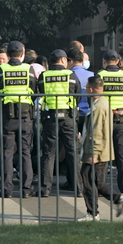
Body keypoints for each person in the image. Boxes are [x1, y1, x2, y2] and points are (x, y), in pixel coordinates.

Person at [78, 76, 123, 221]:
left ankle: (94, 212)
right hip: (101, 150)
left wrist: (94, 152)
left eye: (86, 88)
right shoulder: (103, 102)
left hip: (97, 151)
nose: (85, 90)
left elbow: (97, 131)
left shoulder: (98, 106)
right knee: (94, 181)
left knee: (89, 180)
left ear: (91, 90)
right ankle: (116, 200)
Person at [0, 41, 37, 198]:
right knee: (25, 152)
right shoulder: (28, 69)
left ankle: (7, 190)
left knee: (7, 153)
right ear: (22, 53)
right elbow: (33, 90)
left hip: (7, 116)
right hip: (25, 116)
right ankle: (26, 189)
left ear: (8, 54)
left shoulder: (1, 69)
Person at [37, 49, 82, 198]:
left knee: (48, 154)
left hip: (50, 118)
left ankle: (45, 189)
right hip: (68, 118)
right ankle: (79, 189)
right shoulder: (71, 75)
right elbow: (78, 95)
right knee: (72, 152)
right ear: (63, 60)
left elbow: (41, 92)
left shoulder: (44, 76)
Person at [96, 49, 123, 198]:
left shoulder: (100, 75)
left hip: (104, 119)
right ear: (118, 61)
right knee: (122, 155)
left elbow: (93, 95)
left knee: (103, 155)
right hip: (121, 118)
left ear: (104, 61)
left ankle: (101, 187)